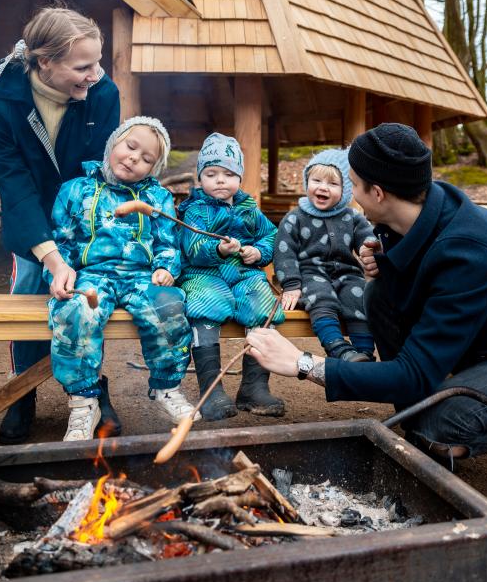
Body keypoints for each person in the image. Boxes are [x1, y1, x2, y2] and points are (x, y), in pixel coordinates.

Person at [247, 123, 487, 506]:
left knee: (443, 422)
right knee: (379, 297)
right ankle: (422, 427)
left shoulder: (470, 253)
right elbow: (417, 286)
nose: (353, 199)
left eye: (353, 186)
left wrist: (304, 364)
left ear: (379, 192)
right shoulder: (421, 212)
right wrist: (389, 264)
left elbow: (415, 370)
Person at [0, 4, 121, 443]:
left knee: (85, 302)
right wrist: (51, 257)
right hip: (32, 211)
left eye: (98, 61)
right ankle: (22, 394)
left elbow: (100, 169)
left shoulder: (104, 92)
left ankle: (94, 391)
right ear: (45, 62)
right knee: (28, 294)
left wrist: (82, 243)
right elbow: (13, 184)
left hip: (85, 214)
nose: (96, 74)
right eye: (83, 66)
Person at [47, 116, 196, 440]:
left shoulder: (156, 197)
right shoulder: (76, 190)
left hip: (141, 276)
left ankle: (166, 387)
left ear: (154, 168)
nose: (134, 159)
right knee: (78, 311)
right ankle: (84, 400)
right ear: (112, 143)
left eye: (147, 159)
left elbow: (167, 242)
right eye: (130, 147)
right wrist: (60, 271)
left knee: (168, 306)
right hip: (91, 275)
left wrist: (165, 268)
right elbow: (62, 241)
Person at [178, 132, 285, 420]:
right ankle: (211, 390)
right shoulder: (194, 210)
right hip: (204, 273)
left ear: (239, 177)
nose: (220, 180)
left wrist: (257, 253)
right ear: (200, 178)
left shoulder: (249, 210)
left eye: (228, 173)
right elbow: (191, 248)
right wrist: (219, 250)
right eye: (211, 174)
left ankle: (254, 386)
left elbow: (270, 237)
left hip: (243, 273)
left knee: (262, 303)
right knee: (204, 303)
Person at [274, 147, 374, 362]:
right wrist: (291, 284)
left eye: (332, 183)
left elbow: (368, 240)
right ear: (306, 182)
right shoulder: (295, 218)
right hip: (311, 274)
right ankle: (338, 348)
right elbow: (284, 251)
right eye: (316, 181)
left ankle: (364, 352)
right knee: (321, 297)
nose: (323, 188)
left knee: (358, 295)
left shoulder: (352, 217)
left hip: (347, 273)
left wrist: (370, 249)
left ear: (345, 189)